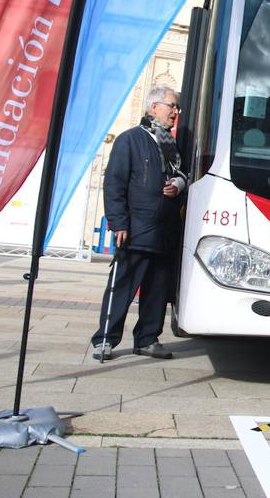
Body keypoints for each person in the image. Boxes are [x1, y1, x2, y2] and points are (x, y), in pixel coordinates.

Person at [91, 86, 187, 360]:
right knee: (121, 286)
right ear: (153, 107)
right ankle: (105, 340)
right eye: (171, 106)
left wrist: (178, 184)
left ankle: (147, 338)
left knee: (157, 289)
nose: (175, 112)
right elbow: (114, 184)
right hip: (134, 229)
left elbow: (182, 172)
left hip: (165, 230)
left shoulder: (170, 143)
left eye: (176, 107)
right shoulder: (129, 140)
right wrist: (118, 222)